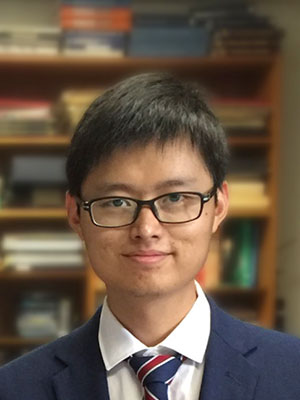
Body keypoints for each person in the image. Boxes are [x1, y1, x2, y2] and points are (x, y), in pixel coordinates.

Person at [0, 72, 300, 400]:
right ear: (75, 213)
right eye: (116, 202)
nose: (146, 229)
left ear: (218, 206)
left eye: (174, 198)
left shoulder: (291, 372)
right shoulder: (15, 388)